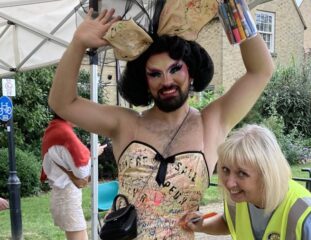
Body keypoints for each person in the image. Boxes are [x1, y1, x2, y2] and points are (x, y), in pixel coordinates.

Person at [48, 1, 273, 239]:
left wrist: (233, 7)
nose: (166, 81)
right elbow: (62, 103)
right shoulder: (125, 124)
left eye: (175, 69)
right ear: (144, 81)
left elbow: (260, 71)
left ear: (192, 71)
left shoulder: (212, 123)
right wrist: (78, 44)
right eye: (155, 74)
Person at [181, 125, 311, 240]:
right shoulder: (238, 198)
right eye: (225, 170)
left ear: (266, 175)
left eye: (242, 173)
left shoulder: (304, 215)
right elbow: (230, 222)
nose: (229, 183)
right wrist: (202, 225)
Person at [41, 113, 106, 240]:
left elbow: (54, 165)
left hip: (60, 194)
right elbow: (81, 173)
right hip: (68, 196)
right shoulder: (64, 134)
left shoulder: (52, 130)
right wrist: (94, 154)